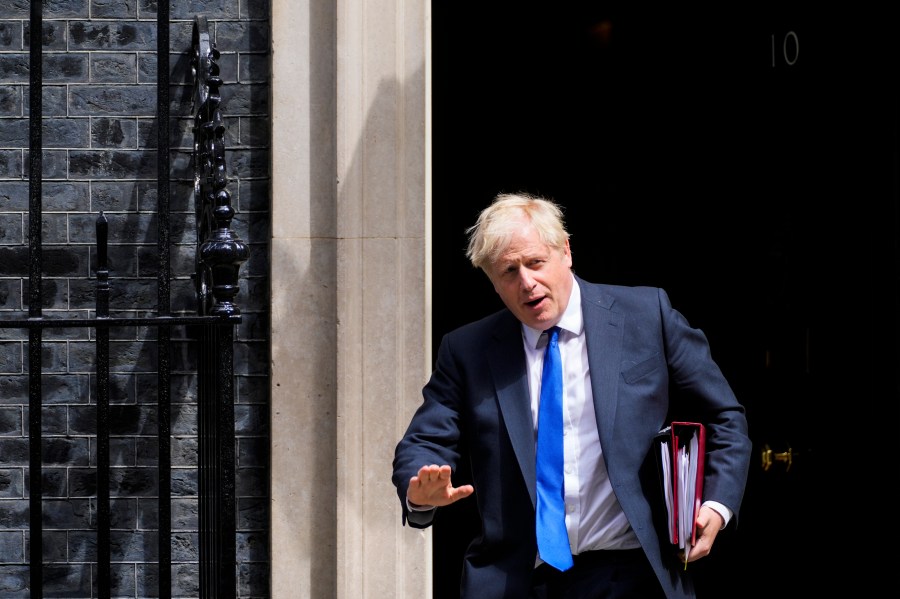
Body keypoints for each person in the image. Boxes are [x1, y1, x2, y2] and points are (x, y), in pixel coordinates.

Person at [392, 192, 751, 599]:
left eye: (535, 262)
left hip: (633, 572)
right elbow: (423, 441)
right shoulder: (468, 351)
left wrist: (717, 506)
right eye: (508, 271)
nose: (526, 282)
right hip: (520, 580)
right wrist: (418, 492)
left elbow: (725, 417)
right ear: (492, 283)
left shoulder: (646, 315)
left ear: (565, 251)